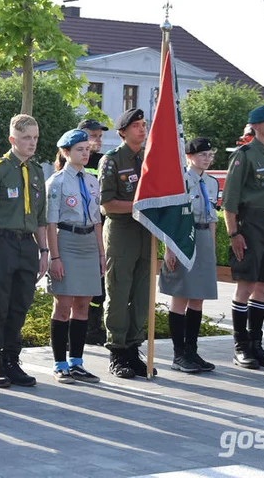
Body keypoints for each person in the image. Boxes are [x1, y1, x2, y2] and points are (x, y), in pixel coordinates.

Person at [0, 114, 48, 389]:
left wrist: (44, 251)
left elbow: (41, 217)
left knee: (20, 304)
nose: (31, 143)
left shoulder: (37, 171)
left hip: (27, 244)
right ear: (12, 140)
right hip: (2, 242)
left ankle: (11, 360)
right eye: (25, 138)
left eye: (34, 138)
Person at [221, 104, 264, 370]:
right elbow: (229, 200)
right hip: (250, 223)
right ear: (256, 125)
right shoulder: (244, 155)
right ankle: (241, 347)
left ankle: (257, 345)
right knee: (245, 285)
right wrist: (234, 232)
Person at [99, 108, 155, 379]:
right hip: (121, 232)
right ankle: (117, 351)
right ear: (123, 132)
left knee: (142, 295)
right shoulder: (111, 160)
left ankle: (134, 348)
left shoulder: (149, 159)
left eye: (144, 125)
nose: (142, 129)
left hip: (146, 233)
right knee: (119, 294)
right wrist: (139, 206)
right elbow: (107, 203)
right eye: (136, 126)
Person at [45, 129, 103, 385]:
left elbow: (98, 220)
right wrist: (54, 257)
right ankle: (59, 363)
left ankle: (77, 362)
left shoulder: (92, 181)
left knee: (83, 305)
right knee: (63, 304)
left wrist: (101, 253)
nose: (85, 153)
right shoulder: (57, 182)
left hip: (88, 242)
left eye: (87, 149)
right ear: (66, 153)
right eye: (80, 149)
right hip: (66, 242)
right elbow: (50, 223)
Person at [159, 137, 220, 373]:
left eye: (209, 155)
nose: (206, 158)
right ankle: (179, 354)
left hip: (203, 237)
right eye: (201, 155)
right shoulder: (180, 181)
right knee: (181, 295)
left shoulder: (211, 182)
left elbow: (213, 216)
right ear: (189, 157)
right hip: (184, 237)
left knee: (198, 297)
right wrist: (169, 248)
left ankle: (192, 351)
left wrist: (211, 248)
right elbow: (170, 217)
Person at [76, 117, 108, 346]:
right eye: (92, 135)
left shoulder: (104, 162)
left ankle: (94, 327)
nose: (97, 140)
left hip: (102, 226)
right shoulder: (72, 160)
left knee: (100, 284)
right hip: (79, 230)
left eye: (99, 136)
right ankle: (79, 326)